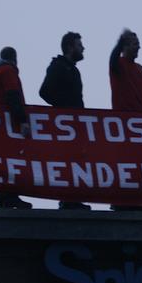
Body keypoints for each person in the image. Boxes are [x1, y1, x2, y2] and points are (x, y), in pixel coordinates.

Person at [39, 32, 91, 211]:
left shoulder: (73, 69)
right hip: (65, 127)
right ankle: (68, 200)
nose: (83, 48)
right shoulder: (58, 66)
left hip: (75, 126)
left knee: (76, 161)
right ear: (70, 47)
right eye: (79, 45)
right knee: (68, 161)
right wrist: (65, 110)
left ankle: (73, 199)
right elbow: (45, 91)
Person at [108, 29, 142, 212]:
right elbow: (112, 59)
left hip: (141, 126)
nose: (138, 47)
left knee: (140, 163)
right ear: (125, 46)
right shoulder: (118, 63)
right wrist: (119, 43)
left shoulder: (141, 69)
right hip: (124, 124)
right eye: (135, 43)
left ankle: (137, 201)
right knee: (124, 163)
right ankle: (120, 201)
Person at [0, 47, 33, 209]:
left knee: (1, 162)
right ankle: (10, 196)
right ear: (14, 58)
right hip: (9, 125)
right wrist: (22, 120)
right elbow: (13, 95)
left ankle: (1, 198)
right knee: (11, 161)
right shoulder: (8, 72)